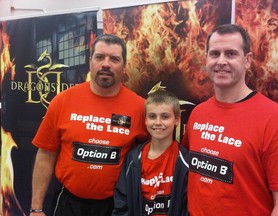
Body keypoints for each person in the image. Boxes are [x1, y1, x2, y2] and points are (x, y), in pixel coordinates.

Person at [30, 34, 148, 216]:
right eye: (100, 57)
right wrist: (36, 208)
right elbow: (45, 154)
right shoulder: (63, 101)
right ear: (90, 61)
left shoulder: (140, 108)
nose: (106, 64)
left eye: (114, 59)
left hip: (115, 206)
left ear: (124, 66)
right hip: (68, 203)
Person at [182, 24, 278, 215]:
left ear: (247, 60)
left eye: (230, 54)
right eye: (215, 54)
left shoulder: (277, 119)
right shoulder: (197, 114)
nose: (221, 61)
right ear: (206, 59)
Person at [112, 83, 189, 216]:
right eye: (152, 116)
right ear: (145, 120)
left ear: (176, 119)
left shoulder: (186, 161)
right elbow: (122, 203)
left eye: (165, 117)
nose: (158, 122)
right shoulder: (133, 159)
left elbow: (188, 207)